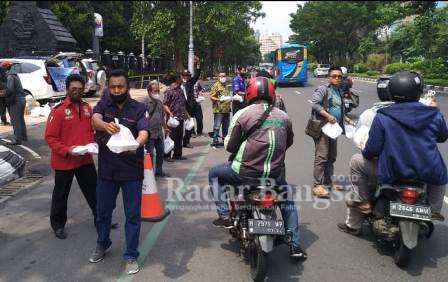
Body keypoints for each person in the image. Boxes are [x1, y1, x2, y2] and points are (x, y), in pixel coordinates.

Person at [338, 71, 448, 235]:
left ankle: (362, 202)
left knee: (355, 161)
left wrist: (368, 153)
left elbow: (372, 149)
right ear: (419, 91)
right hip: (427, 171)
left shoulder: (382, 116)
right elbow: (442, 137)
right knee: (440, 177)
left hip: (393, 172)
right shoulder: (434, 114)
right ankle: (432, 210)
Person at [208, 76, 307, 259]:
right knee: (287, 201)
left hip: (245, 173)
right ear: (271, 93)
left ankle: (224, 215)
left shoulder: (243, 114)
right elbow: (288, 142)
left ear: (249, 93)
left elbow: (230, 146)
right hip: (274, 175)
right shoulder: (283, 116)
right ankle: (295, 246)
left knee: (214, 174)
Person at [89, 69, 149, 275]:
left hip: (131, 170)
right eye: (113, 87)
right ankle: (102, 243)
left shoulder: (139, 108)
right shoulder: (103, 105)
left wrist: (134, 145)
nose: (116, 90)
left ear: (127, 87)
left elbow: (144, 132)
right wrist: (105, 125)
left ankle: (131, 255)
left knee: (132, 215)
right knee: (103, 212)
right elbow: (94, 119)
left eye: (120, 87)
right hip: (107, 171)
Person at [44, 74, 98, 240]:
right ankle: (58, 225)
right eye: (74, 89)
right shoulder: (58, 111)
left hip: (84, 159)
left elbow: (90, 131)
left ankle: (101, 219)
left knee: (95, 192)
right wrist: (67, 150)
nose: (77, 92)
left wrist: (92, 143)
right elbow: (50, 137)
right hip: (64, 161)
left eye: (80, 89)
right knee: (61, 195)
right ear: (67, 89)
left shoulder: (88, 108)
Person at [310, 66, 353, 198]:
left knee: (332, 156)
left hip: (334, 129)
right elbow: (315, 104)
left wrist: (345, 118)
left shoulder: (339, 91)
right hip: (324, 128)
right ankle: (317, 185)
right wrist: (328, 116)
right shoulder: (323, 89)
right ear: (328, 77)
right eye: (334, 76)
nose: (337, 78)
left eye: (339, 76)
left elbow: (339, 108)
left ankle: (328, 182)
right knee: (322, 156)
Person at [144, 81, 170, 177]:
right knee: (150, 155)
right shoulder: (145, 102)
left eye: (158, 91)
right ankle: (149, 174)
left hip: (159, 133)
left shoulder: (159, 102)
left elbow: (161, 117)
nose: (157, 93)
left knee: (161, 153)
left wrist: (165, 128)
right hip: (149, 133)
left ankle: (159, 171)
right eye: (155, 91)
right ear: (149, 91)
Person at [163, 72, 190, 160]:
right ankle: (167, 155)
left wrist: (187, 115)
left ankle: (177, 155)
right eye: (181, 78)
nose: (182, 79)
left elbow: (182, 104)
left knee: (179, 137)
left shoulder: (180, 90)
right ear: (177, 79)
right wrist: (169, 113)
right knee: (171, 137)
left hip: (180, 117)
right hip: (172, 119)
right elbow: (165, 104)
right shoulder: (169, 90)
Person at [1, 61, 27, 145]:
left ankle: (17, 139)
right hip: (21, 99)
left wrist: (1, 93)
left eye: (3, 66)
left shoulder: (10, 76)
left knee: (15, 121)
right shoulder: (15, 74)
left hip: (16, 101)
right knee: (20, 119)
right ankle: (23, 136)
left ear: (7, 66)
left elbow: (10, 90)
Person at [181, 57, 201, 147]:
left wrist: (197, 64)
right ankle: (178, 142)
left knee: (192, 123)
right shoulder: (179, 83)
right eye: (185, 75)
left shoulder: (190, 82)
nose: (187, 77)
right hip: (181, 107)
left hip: (190, 105)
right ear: (182, 76)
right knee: (180, 126)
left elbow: (197, 75)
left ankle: (186, 141)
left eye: (188, 75)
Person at [210, 71, 231, 147]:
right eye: (221, 76)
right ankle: (215, 141)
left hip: (226, 109)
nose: (223, 77)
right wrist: (219, 99)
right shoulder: (216, 85)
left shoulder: (226, 85)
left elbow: (227, 95)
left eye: (224, 76)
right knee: (217, 126)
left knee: (226, 126)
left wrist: (229, 99)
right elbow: (211, 97)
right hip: (219, 109)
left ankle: (224, 140)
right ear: (218, 77)